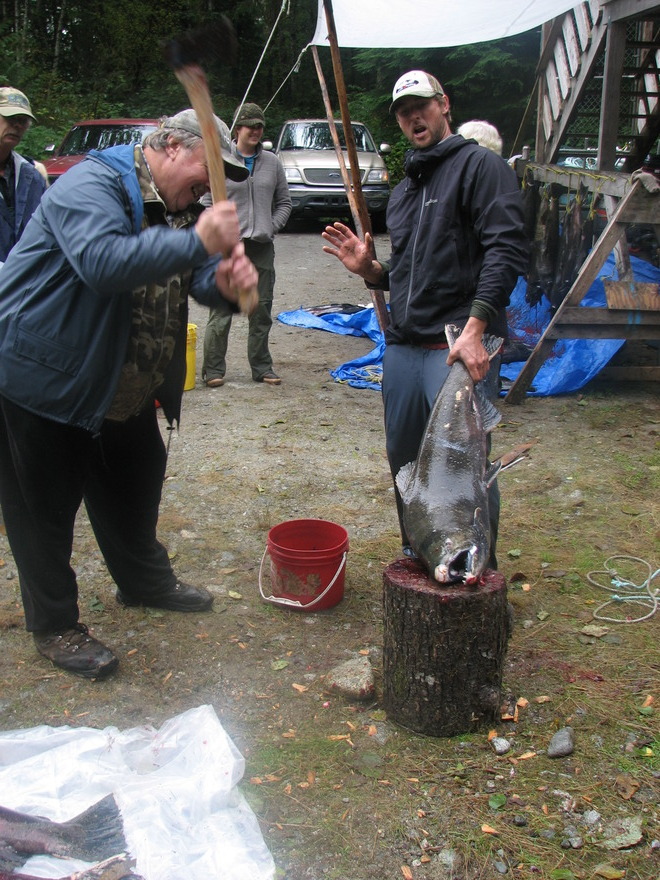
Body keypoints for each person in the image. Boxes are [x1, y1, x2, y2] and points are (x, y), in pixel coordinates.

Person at [0, 109, 257, 680]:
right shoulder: (90, 185)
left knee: (134, 483)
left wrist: (222, 284)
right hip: (47, 379)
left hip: (122, 385)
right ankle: (54, 624)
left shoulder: (177, 207)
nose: (210, 189)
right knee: (44, 511)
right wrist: (197, 241)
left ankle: (142, 582)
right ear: (171, 145)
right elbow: (103, 263)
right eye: (209, 170)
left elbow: (192, 274)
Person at [322, 70, 529, 563]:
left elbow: (506, 251)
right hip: (404, 347)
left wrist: (476, 328)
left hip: (456, 346)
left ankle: (475, 563)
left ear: (444, 105)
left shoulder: (481, 167)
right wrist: (372, 271)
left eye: (422, 106)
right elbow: (410, 270)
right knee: (407, 465)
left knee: (461, 467)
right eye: (403, 111)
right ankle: (423, 551)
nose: (413, 116)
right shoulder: (404, 191)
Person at [202, 102, 291, 387]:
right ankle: (213, 370)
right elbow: (205, 202)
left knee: (261, 309)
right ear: (237, 128)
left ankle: (262, 367)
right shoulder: (221, 160)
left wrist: (270, 226)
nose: (255, 131)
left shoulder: (273, 163)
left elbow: (284, 202)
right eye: (250, 126)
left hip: (261, 247)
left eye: (259, 126)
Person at [0, 86, 47, 265]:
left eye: (23, 120)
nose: (18, 126)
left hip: (27, 278)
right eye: (11, 118)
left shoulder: (33, 176)